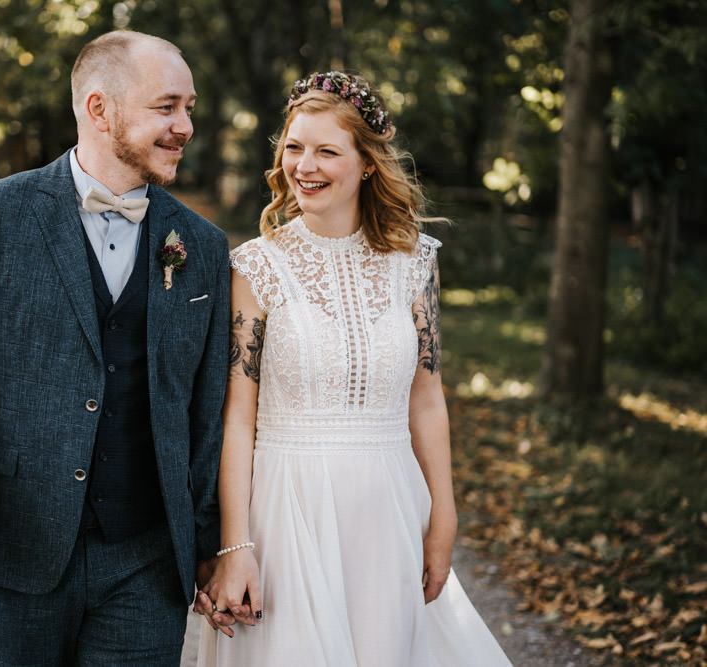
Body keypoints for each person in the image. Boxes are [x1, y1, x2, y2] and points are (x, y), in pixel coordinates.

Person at [0, 30, 231, 666]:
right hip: (21, 547)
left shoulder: (203, 248)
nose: (185, 126)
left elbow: (207, 413)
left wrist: (213, 547)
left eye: (190, 107)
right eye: (166, 107)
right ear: (99, 109)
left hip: (148, 558)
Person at [196, 71, 512, 665]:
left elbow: (426, 397)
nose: (304, 165)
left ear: (367, 163)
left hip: (390, 506)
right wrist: (235, 544)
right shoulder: (256, 268)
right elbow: (237, 417)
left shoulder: (414, 262)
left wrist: (442, 512)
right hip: (288, 511)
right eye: (293, 147)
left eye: (326, 151)